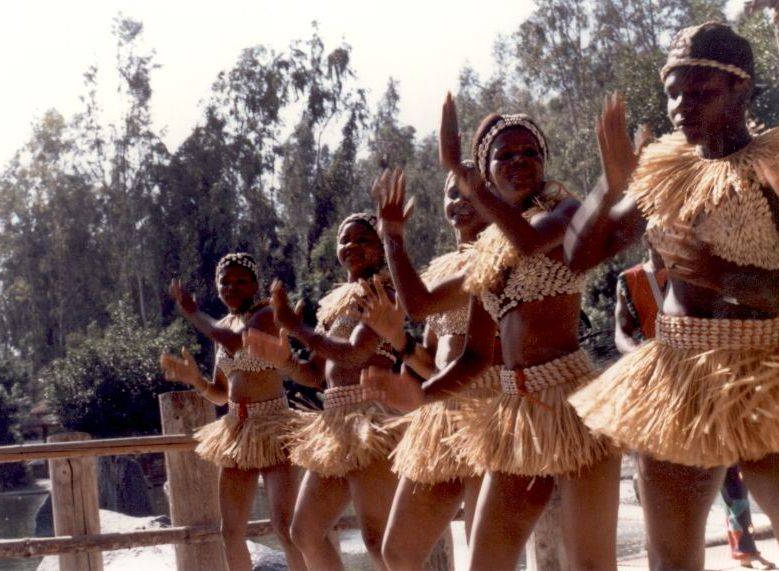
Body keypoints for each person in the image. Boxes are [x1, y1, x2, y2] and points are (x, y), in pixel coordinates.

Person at [565, 22, 779, 569]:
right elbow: (578, 257)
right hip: (675, 379)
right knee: (671, 557)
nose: (680, 107)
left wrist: (725, 275)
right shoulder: (666, 170)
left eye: (699, 92)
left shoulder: (775, 168)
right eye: (672, 92)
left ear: (742, 89)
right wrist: (609, 184)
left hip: (765, 375)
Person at [362, 97, 619, 571]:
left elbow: (526, 241)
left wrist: (469, 179)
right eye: (504, 155)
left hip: (572, 406)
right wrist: (392, 237)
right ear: (487, 168)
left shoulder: (564, 213)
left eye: (529, 153)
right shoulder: (488, 256)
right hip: (514, 414)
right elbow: (459, 341)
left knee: (591, 565)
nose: (518, 162)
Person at [354, 159, 502, 570]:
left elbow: (480, 355)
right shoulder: (439, 271)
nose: (461, 201)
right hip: (441, 416)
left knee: (484, 555)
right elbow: (431, 360)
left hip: (487, 415)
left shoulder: (503, 257)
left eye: (473, 192)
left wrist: (392, 238)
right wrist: (398, 340)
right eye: (453, 192)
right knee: (397, 552)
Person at [242, 213, 402, 571]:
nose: (352, 246)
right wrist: (282, 358)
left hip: (371, 421)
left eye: (363, 239)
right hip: (333, 423)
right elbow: (315, 375)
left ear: (380, 247)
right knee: (305, 531)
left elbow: (356, 352)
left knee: (379, 540)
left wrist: (297, 327)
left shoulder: (384, 291)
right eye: (345, 240)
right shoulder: (334, 304)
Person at [616, 248, 777, 570]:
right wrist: (639, 354)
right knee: (674, 511)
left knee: (736, 475)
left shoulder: (701, 262)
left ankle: (743, 545)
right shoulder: (630, 280)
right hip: (665, 386)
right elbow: (620, 330)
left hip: (721, 374)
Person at [158, 253, 308, 571]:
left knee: (285, 527)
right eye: (225, 282)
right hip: (237, 429)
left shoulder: (265, 315)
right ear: (216, 286)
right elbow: (220, 394)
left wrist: (192, 311)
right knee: (231, 531)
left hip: (275, 428)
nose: (232, 287)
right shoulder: (222, 325)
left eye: (241, 281)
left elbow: (234, 341)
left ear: (255, 284)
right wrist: (194, 379)